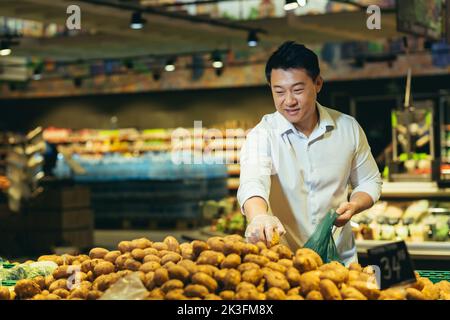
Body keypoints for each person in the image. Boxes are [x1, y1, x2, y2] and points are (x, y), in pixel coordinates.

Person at [237, 41, 382, 265]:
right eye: (279, 92)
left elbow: (370, 181)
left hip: (339, 262)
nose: (289, 101)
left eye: (297, 90)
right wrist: (259, 216)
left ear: (318, 84)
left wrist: (354, 206)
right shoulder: (262, 135)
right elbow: (252, 182)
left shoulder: (348, 127)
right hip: (284, 263)